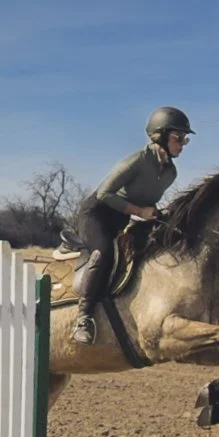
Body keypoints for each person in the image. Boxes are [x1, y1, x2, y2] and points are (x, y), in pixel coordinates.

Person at [68, 106, 194, 344]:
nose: (182, 144)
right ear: (160, 135)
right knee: (103, 251)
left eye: (185, 139)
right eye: (179, 138)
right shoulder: (137, 160)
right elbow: (105, 193)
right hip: (96, 214)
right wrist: (139, 211)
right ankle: (83, 318)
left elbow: (147, 203)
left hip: (121, 218)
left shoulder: (171, 173)